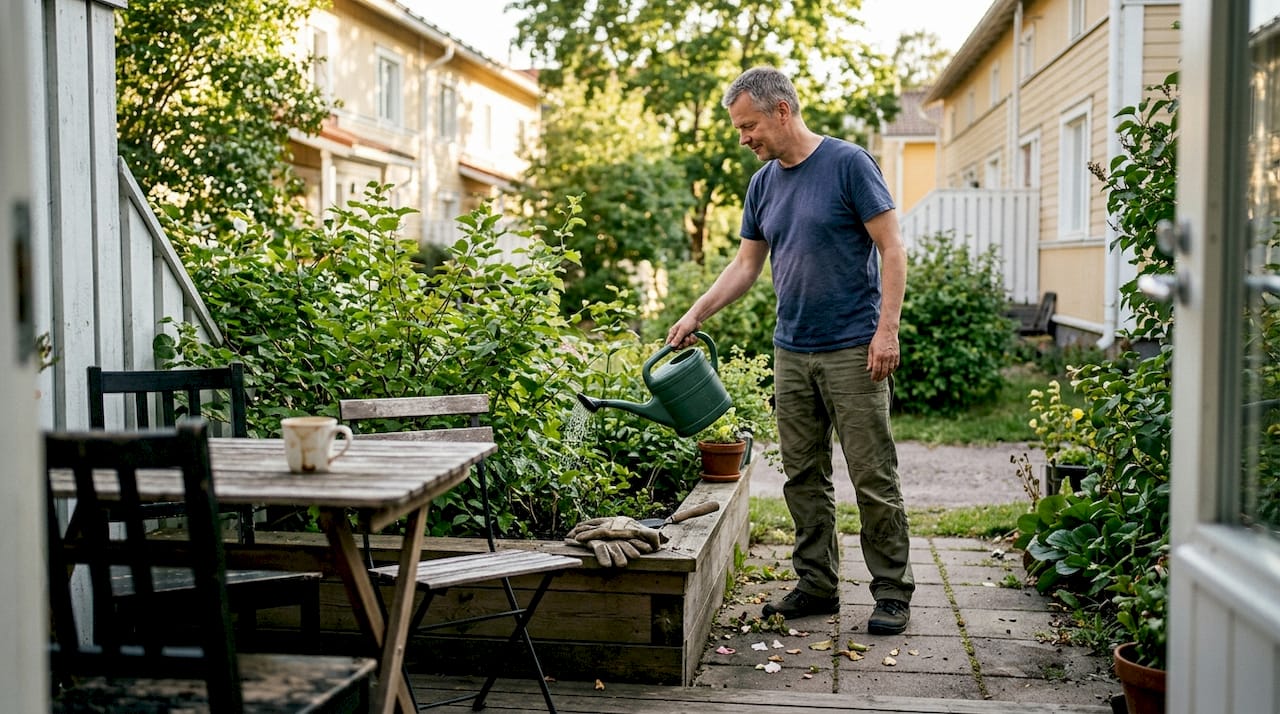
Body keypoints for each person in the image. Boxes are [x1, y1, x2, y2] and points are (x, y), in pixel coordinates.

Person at [665, 66, 914, 635]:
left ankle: (893, 591)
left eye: (748, 125)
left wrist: (887, 331)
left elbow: (893, 249)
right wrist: (695, 312)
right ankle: (817, 584)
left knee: (873, 476)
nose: (743, 138)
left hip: (854, 348)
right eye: (738, 128)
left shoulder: (850, 164)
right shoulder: (763, 184)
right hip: (791, 350)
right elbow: (747, 265)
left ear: (782, 111)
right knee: (802, 476)